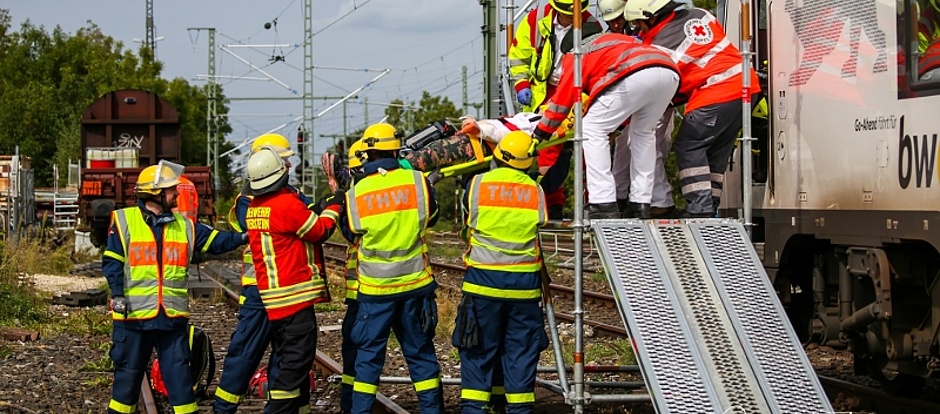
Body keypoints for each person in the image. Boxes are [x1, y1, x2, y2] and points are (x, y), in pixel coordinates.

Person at [103, 161, 247, 414]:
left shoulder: (185, 226)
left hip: (171, 320)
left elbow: (218, 241)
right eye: (171, 190)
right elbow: (112, 263)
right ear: (155, 194)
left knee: (180, 382)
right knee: (126, 382)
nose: (177, 194)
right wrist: (117, 294)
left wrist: (244, 236)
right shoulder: (124, 221)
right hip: (134, 318)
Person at [624, 0, 761, 217]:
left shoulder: (662, 44)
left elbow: (660, 82)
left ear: (651, 16)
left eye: (639, 24)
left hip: (717, 90)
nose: (638, 29)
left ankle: (700, 209)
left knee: (689, 145)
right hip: (745, 87)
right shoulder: (699, 14)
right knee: (716, 151)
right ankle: (710, 206)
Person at [214, 133, 319, 414]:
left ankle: (289, 407)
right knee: (245, 352)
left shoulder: (289, 195)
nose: (289, 167)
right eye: (284, 161)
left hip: (283, 285)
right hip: (258, 289)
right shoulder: (248, 201)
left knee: (286, 357)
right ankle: (224, 407)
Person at [343, 123, 443, 414]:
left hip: (375, 291)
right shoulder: (417, 182)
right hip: (414, 287)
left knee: (368, 359)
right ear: (397, 149)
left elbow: (351, 232)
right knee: (421, 354)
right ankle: (432, 410)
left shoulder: (358, 192)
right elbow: (432, 217)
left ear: (368, 152)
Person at [532, 33, 680, 219]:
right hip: (668, 70)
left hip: (636, 71)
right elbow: (624, 105)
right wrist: (616, 126)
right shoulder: (613, 42)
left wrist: (541, 132)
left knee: (591, 128)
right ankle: (640, 203)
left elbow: (562, 101)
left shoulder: (575, 55)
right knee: (643, 133)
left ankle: (603, 202)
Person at [454, 131, 550, 414]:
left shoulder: (477, 185)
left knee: (478, 352)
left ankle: (474, 409)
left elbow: (468, 220)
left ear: (497, 157)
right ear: (527, 162)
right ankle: (518, 410)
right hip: (524, 287)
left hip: (483, 285)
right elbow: (540, 222)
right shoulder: (536, 191)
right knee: (520, 354)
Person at [243, 145, 343, 414]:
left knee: (287, 361)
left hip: (275, 300)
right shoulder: (285, 204)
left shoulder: (255, 207)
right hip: (295, 299)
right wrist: (335, 204)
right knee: (295, 365)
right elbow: (319, 230)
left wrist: (317, 207)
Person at [598, 0, 678, 218]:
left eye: (617, 19)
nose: (615, 24)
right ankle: (620, 195)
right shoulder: (616, 33)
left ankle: (661, 201)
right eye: (611, 21)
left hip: (656, 94)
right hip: (632, 96)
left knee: (650, 145)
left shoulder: (644, 22)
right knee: (626, 147)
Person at [508, 0, 602, 112]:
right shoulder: (535, 21)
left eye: (575, 13)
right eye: (567, 14)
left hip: (575, 94)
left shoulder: (593, 27)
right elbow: (519, 58)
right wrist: (521, 83)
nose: (571, 17)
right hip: (541, 94)